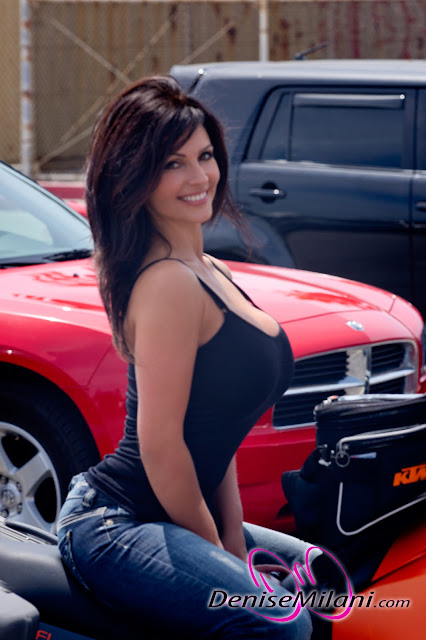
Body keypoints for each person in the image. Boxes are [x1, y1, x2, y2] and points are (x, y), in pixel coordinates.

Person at [57, 76, 317, 639]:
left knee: (325, 585)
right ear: (136, 177)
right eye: (173, 164)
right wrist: (220, 552)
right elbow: (161, 446)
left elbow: (217, 430)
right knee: (283, 623)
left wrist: (232, 539)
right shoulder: (167, 283)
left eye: (205, 156)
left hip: (174, 512)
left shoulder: (210, 270)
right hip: (117, 522)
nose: (199, 177)